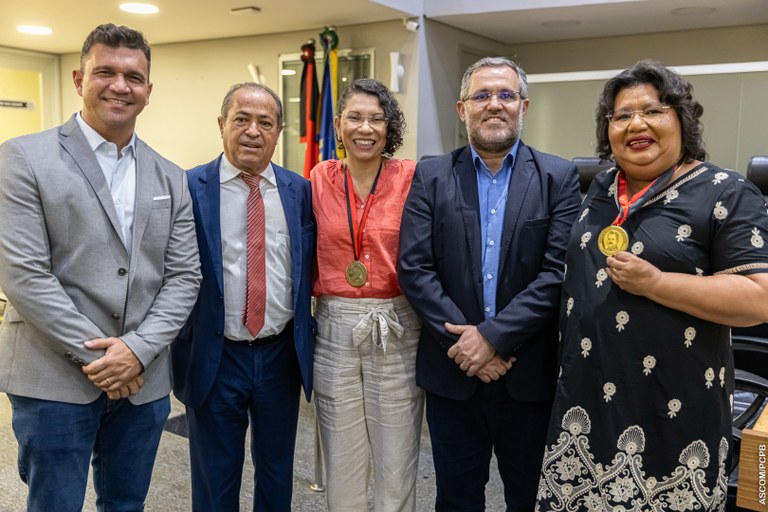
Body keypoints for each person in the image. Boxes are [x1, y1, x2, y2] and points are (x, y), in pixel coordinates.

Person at [535, 60, 768, 511]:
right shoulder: (599, 188)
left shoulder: (726, 193)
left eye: (653, 110)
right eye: (622, 115)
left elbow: (759, 299)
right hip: (583, 407)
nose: (636, 123)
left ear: (682, 118)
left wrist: (657, 283)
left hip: (673, 410)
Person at [0, 23, 201, 512]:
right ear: (78, 78)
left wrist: (136, 351)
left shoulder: (171, 176)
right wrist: (107, 360)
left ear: (148, 91)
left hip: (144, 381)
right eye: (105, 71)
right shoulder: (23, 159)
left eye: (133, 76)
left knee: (127, 504)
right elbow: (25, 275)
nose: (119, 85)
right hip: (53, 378)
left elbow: (183, 276)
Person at [398, 57, 581, 511]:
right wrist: (470, 347)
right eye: (481, 95)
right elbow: (415, 268)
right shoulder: (431, 174)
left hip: (528, 374)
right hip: (453, 371)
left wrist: (492, 340)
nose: (493, 105)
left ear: (524, 105)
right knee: (456, 500)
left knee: (530, 499)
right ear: (462, 110)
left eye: (505, 95)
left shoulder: (559, 177)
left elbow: (558, 273)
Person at [171, 82, 314, 512]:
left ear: (278, 131)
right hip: (215, 354)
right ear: (221, 125)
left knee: (276, 472)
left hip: (279, 354)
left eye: (265, 123)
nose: (253, 131)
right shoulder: (189, 187)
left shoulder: (300, 191)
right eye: (242, 120)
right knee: (215, 477)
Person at [310, 77, 424, 511]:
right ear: (338, 125)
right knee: (342, 457)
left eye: (377, 119)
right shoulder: (320, 177)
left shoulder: (410, 177)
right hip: (335, 326)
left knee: (397, 459)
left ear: (389, 126)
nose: (366, 128)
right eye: (355, 117)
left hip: (397, 323)